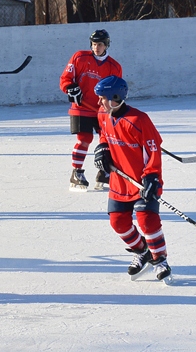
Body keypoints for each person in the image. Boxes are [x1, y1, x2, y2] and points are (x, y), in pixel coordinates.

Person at [93, 75, 171, 282]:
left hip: (142, 181)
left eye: (102, 98)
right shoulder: (103, 114)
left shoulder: (139, 120)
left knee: (148, 220)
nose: (99, 102)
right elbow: (104, 134)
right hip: (119, 181)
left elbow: (153, 150)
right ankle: (142, 251)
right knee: (118, 222)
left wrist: (152, 176)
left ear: (115, 97)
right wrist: (102, 148)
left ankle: (160, 260)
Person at [60, 29, 123, 191]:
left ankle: (104, 172)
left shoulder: (114, 66)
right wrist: (70, 88)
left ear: (106, 45)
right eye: (94, 44)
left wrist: (115, 106)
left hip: (103, 111)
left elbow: (117, 90)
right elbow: (66, 79)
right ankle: (76, 173)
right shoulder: (79, 57)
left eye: (100, 44)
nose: (96, 47)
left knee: (106, 141)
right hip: (81, 108)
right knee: (84, 139)